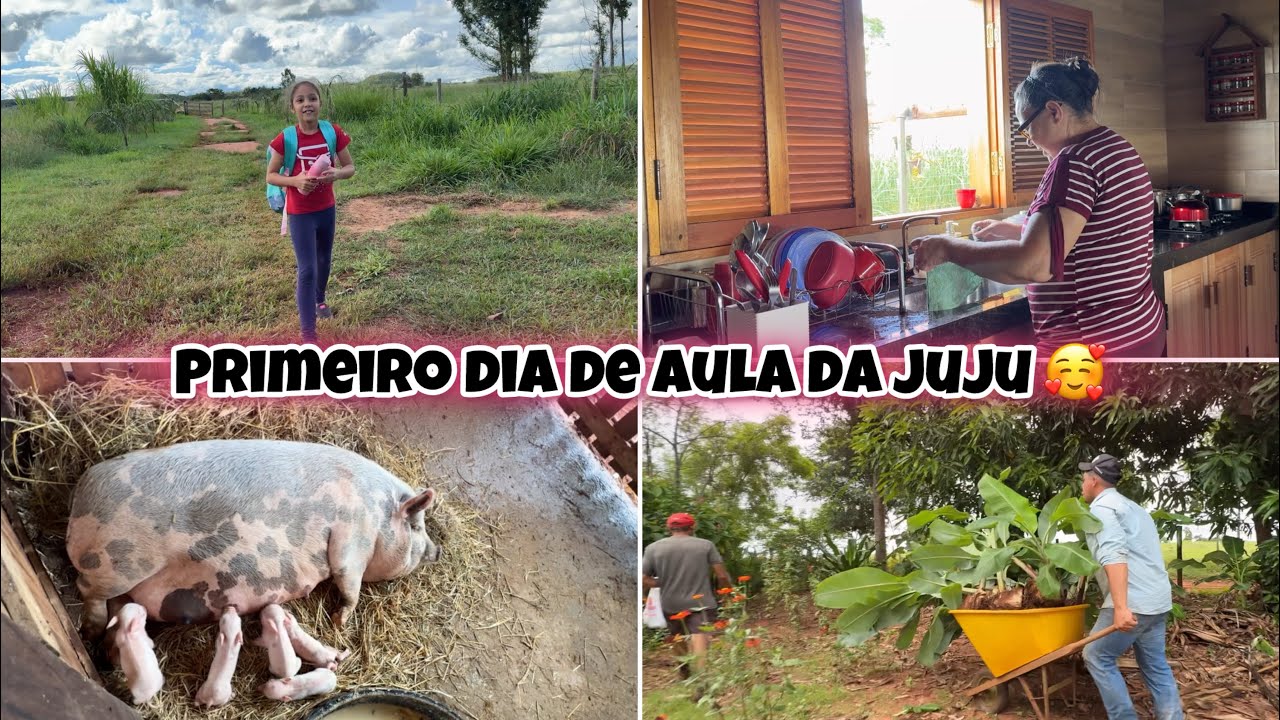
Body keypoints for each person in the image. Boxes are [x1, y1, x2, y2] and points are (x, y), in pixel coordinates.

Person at [910, 57, 1166, 358]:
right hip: (1139, 331)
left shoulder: (1073, 162)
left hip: (1092, 349)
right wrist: (1018, 230)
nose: (1029, 140)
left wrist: (947, 247)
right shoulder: (1117, 147)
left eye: (1027, 128)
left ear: (1054, 111)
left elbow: (1033, 266)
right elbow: (1096, 232)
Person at [1078, 453, 1184, 720]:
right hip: (1157, 601)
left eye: (1083, 478)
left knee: (1096, 655)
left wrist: (1121, 607)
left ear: (1094, 481)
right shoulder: (1134, 508)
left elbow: (1114, 556)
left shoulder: (1102, 509)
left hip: (1134, 602)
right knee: (1155, 665)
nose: (1082, 484)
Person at [266, 79, 356, 344]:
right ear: (292, 107)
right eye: (301, 100)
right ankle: (309, 337)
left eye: (312, 98)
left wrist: (336, 174)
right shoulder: (287, 138)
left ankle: (320, 301)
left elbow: (350, 168)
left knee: (324, 261)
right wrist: (295, 181)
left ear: (320, 102)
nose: (307, 104)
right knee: (307, 269)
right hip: (300, 213)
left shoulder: (332, 132)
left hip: (326, 209)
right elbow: (271, 176)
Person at [641, 512, 732, 677]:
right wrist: (726, 594)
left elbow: (643, 578)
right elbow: (722, 575)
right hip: (702, 602)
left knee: (678, 636)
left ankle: (684, 671)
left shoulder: (653, 548)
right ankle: (701, 680)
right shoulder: (706, 545)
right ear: (692, 527)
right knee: (701, 636)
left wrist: (662, 582)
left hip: (671, 603)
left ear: (669, 528)